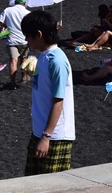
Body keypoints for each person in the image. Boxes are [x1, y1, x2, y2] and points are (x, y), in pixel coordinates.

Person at [23, 10, 75, 175]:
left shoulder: (56, 60)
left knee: (51, 184)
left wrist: (46, 136)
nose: (26, 40)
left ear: (38, 34)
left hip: (55, 136)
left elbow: (58, 101)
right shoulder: (43, 56)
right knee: (31, 181)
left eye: (28, 36)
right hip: (40, 131)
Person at [0, 0, 30, 88]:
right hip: (24, 40)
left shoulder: (8, 10)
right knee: (24, 59)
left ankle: (13, 83)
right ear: (24, 3)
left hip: (12, 41)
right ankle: (24, 77)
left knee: (13, 61)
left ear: (15, 3)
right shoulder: (28, 13)